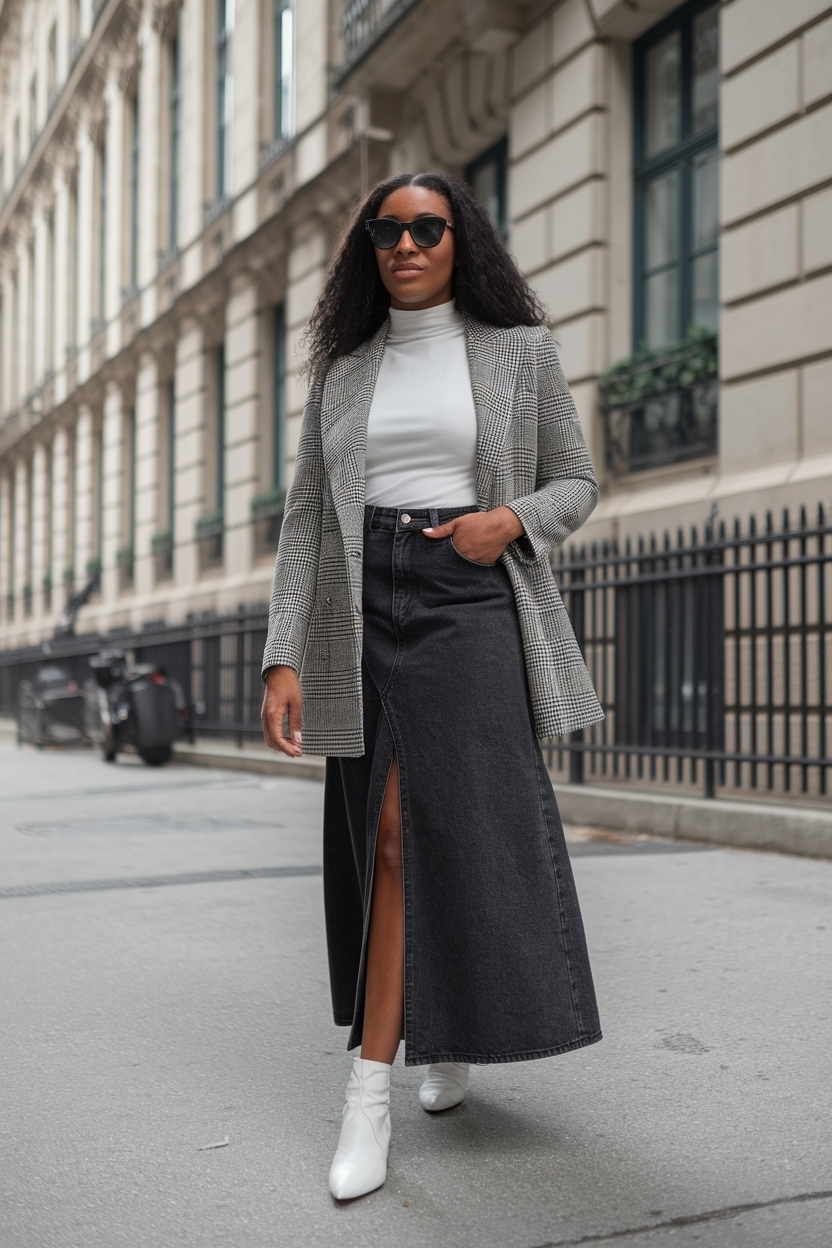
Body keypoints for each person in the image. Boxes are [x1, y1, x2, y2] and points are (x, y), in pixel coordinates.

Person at [261, 171, 604, 1201]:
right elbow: (308, 518)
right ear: (368, 248)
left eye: (427, 228)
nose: (405, 244)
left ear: (461, 241)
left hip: (465, 592)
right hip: (359, 597)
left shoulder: (518, 351)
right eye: (387, 230)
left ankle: (380, 1082)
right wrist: (283, 652)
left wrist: (511, 522)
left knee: (441, 826)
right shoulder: (342, 370)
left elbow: (576, 481)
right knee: (385, 832)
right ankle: (411, 1056)